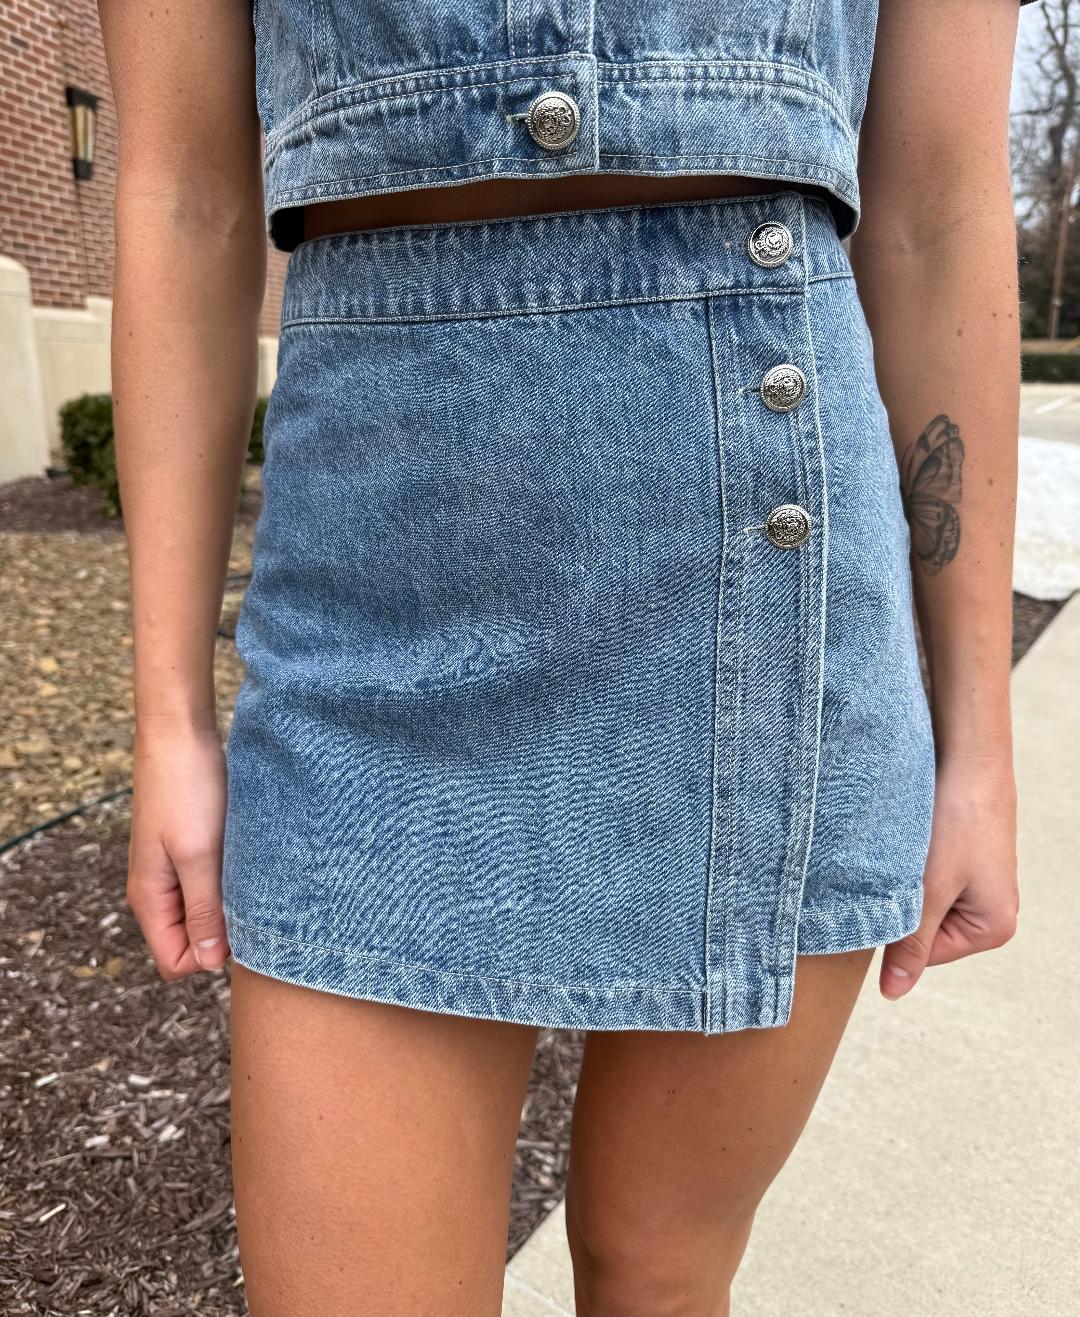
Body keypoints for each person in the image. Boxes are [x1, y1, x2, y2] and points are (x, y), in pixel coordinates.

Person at [102, 0, 1029, 1312]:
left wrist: (978, 746)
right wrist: (170, 719)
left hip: (760, 573)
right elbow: (185, 197)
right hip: (370, 603)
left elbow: (938, 208)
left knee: (661, 1275)